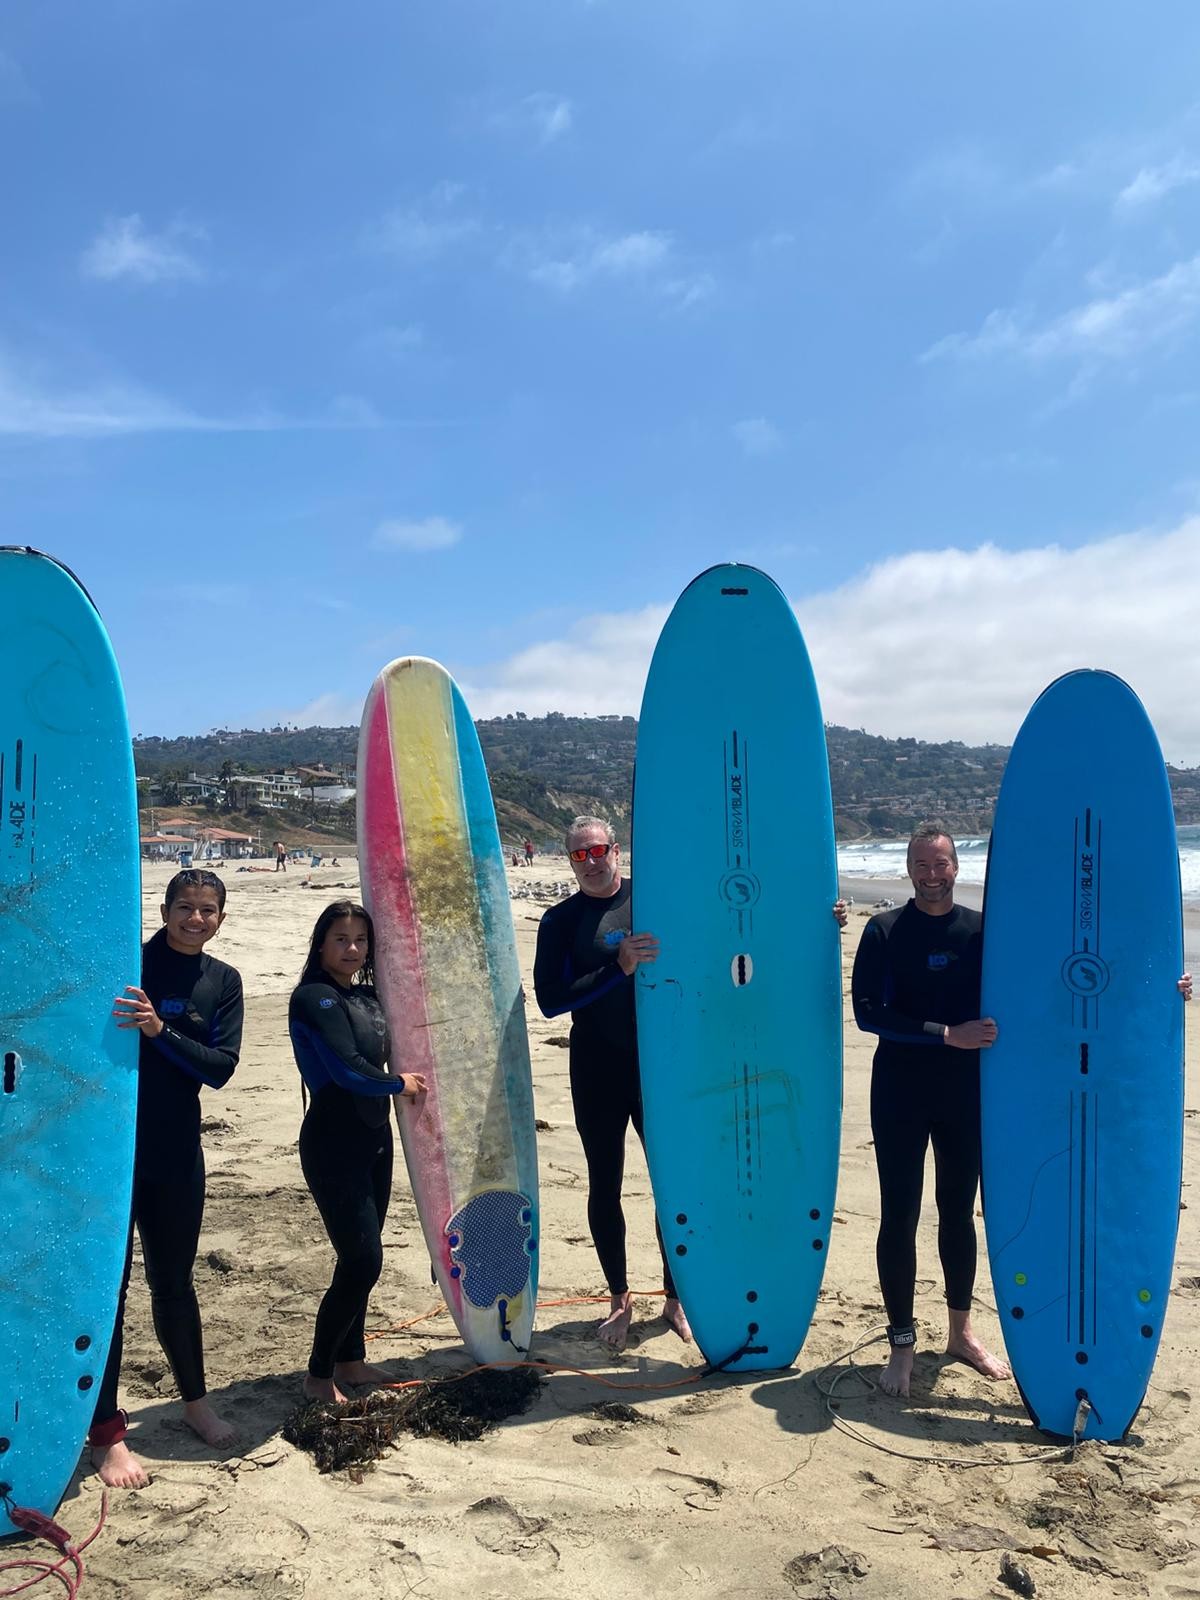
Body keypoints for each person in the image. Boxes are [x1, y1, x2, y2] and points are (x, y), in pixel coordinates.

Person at [852, 822, 1192, 1400]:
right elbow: (868, 1013)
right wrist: (945, 1034)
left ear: (959, 868)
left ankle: (960, 1331)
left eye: (942, 864)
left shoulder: (984, 933)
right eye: (923, 864)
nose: (933, 874)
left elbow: (1060, 980)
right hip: (900, 1094)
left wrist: (1162, 987)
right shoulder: (884, 930)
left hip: (968, 1095)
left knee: (959, 1213)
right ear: (910, 869)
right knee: (900, 1216)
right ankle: (903, 1343)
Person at [91, 869, 244, 1489]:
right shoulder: (126, 963)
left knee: (175, 1284)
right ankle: (106, 1435)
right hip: (110, 1150)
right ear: (164, 908)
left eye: (208, 910)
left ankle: (195, 1403)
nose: (196, 919)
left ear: (221, 917)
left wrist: (159, 1030)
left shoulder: (222, 981)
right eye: (186, 907)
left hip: (177, 1150)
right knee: (110, 1290)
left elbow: (220, 1069)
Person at [533, 817, 690, 1352]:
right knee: (606, 1182)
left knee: (673, 1183)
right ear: (570, 861)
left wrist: (820, 916)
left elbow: (722, 925)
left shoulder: (655, 899)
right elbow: (552, 1001)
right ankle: (619, 1297)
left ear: (616, 850)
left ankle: (676, 1296)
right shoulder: (560, 922)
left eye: (599, 850)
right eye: (580, 855)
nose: (592, 861)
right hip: (597, 1066)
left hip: (660, 1067)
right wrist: (615, 969)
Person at [289, 901, 427, 1403]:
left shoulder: (369, 997)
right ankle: (318, 1374)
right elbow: (346, 1069)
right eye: (342, 939)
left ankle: (351, 1358)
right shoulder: (314, 998)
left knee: (361, 1255)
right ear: (321, 944)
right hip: (332, 1141)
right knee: (362, 1260)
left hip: (375, 1139)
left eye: (361, 940)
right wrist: (398, 1083)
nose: (352, 949)